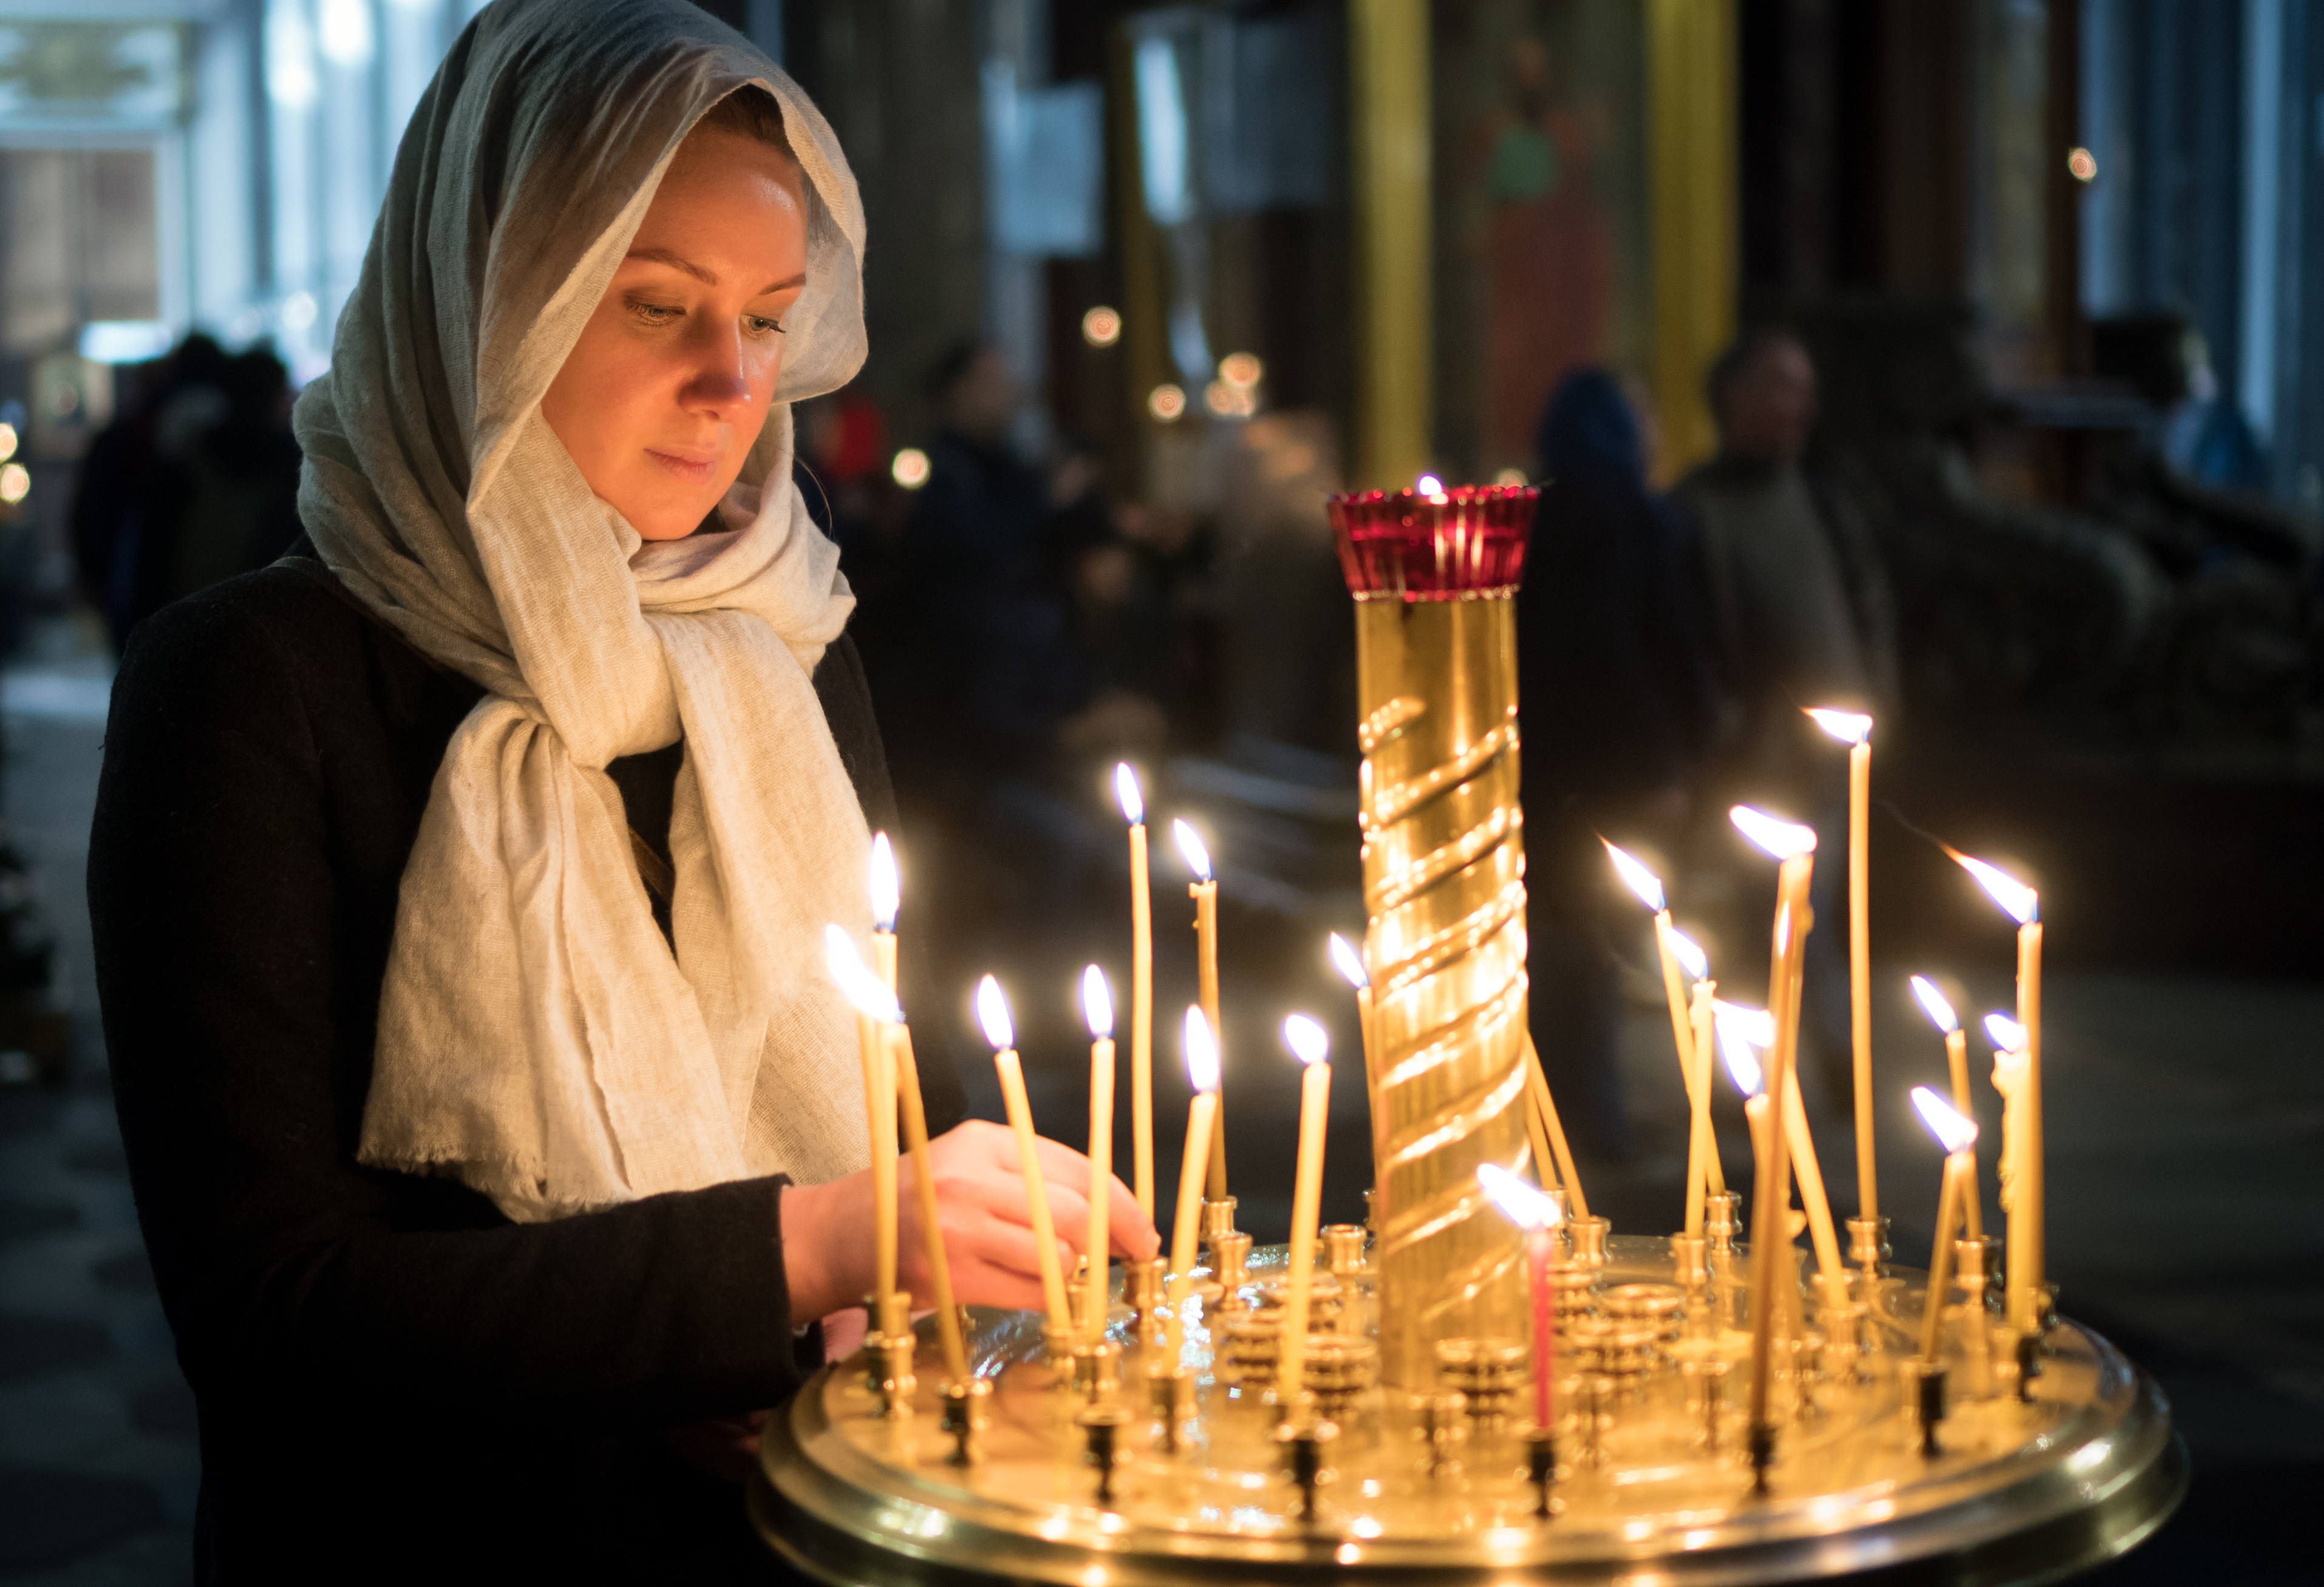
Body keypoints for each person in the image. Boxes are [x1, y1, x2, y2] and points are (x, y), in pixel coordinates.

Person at [86, 5, 1153, 1582]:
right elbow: (273, 1312)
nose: (733, 381)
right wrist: (805, 1246)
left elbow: (863, 1096)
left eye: (771, 316)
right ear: (485, 306)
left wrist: (905, 1293)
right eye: (657, 305)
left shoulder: (782, 639)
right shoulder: (255, 683)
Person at [1671, 329, 1896, 1091]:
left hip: (1829, 749)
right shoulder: (1694, 508)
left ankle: (1825, 1045)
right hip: (1751, 755)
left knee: (1820, 900)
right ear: (1731, 399)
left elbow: (1865, 599)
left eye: (1802, 388)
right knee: (1756, 911)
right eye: (1776, 386)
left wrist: (1876, 695)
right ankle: (1759, 1071)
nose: (1794, 406)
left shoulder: (1822, 497)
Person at [1517, 370, 1719, 1161]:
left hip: (1549, 768)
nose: (1652, 423)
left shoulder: (1539, 515)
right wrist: (1663, 763)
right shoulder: (1625, 517)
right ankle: (1591, 1121)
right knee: (1595, 947)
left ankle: (1559, 1112)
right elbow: (1625, 650)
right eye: (1639, 410)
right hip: (1611, 772)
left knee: (1565, 940)